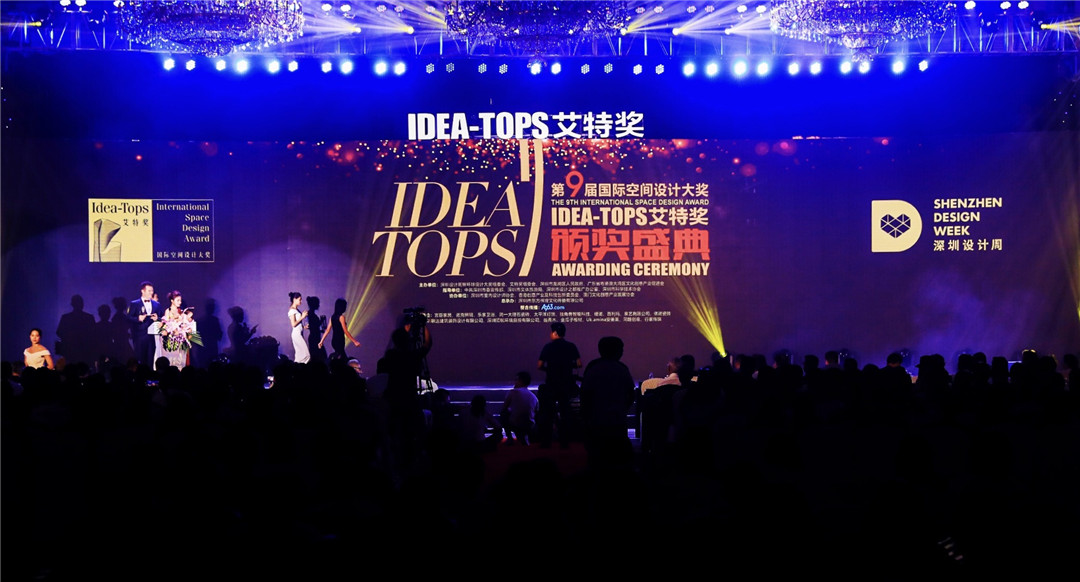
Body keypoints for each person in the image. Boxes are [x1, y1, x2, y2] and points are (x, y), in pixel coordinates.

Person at [579, 336, 636, 469]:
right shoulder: (622, 368)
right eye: (621, 349)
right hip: (617, 420)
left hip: (596, 420)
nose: (622, 352)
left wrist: (586, 416)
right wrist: (623, 409)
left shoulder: (593, 368)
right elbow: (631, 393)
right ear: (616, 351)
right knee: (618, 458)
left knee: (597, 457)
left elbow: (585, 394)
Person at [536, 321, 581, 448]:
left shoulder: (548, 347)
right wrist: (567, 366)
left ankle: (547, 442)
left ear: (555, 333)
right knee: (566, 412)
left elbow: (539, 365)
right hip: (566, 384)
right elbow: (579, 364)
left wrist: (550, 369)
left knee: (548, 413)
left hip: (551, 383)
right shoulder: (571, 346)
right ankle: (565, 441)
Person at [155, 290, 195, 370]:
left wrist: (187, 319)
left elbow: (185, 323)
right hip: (172, 340)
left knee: (180, 361)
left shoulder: (181, 311)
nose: (180, 302)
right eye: (178, 300)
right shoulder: (168, 311)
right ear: (172, 301)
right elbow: (166, 323)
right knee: (172, 360)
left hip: (180, 339)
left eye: (180, 300)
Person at [126, 280, 161, 367]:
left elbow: (163, 318)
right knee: (140, 361)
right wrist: (138, 318)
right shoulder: (135, 304)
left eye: (152, 291)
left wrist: (157, 318)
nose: (151, 293)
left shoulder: (156, 304)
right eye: (149, 291)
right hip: (139, 337)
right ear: (143, 291)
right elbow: (128, 318)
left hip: (151, 337)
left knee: (150, 361)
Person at [501, 371, 539, 445]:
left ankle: (510, 438)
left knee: (504, 414)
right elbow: (536, 411)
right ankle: (525, 436)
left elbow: (504, 408)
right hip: (530, 424)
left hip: (516, 423)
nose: (514, 382)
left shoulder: (512, 392)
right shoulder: (534, 397)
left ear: (520, 381)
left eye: (516, 380)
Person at [287, 292, 310, 364]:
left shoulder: (296, 310)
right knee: (306, 355)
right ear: (294, 299)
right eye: (300, 299)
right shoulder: (292, 310)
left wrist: (304, 327)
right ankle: (298, 368)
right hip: (296, 335)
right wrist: (302, 317)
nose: (301, 301)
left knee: (300, 355)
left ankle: (296, 368)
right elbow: (293, 324)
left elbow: (297, 324)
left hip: (299, 333)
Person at [306, 296, 327, 365]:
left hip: (315, 337)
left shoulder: (311, 314)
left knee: (318, 357)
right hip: (314, 338)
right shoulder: (311, 314)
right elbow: (313, 326)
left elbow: (313, 327)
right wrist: (321, 321)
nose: (319, 305)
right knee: (320, 357)